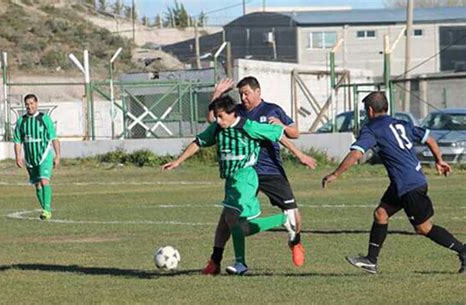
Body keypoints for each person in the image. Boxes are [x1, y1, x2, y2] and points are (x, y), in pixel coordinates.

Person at [162, 96, 314, 275]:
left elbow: (278, 134)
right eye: (216, 117)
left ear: (232, 113)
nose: (218, 120)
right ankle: (233, 263)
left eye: (221, 116)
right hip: (231, 181)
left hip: (245, 179)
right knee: (230, 222)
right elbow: (199, 142)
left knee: (239, 225)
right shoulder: (217, 129)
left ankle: (283, 220)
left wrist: (300, 155)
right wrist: (178, 161)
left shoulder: (247, 126)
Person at [322, 91, 466, 274]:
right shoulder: (401, 123)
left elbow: (357, 153)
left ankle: (463, 250)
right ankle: (370, 260)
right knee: (381, 214)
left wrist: (335, 174)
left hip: (409, 186)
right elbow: (429, 138)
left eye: (366, 111)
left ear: (370, 110)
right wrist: (439, 160)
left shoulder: (372, 127)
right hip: (405, 182)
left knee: (423, 228)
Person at [202, 77, 316, 274]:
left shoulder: (272, 109)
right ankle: (216, 261)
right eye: (241, 94)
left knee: (293, 211)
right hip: (243, 171)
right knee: (228, 218)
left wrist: (284, 127)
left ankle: (296, 242)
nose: (243, 97)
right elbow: (213, 121)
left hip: (270, 170)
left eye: (246, 93)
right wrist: (217, 94)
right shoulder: (235, 111)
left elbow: (293, 133)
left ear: (258, 91)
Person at [13, 94, 60, 220]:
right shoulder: (21, 121)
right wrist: (18, 157)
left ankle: (47, 210)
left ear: (37, 103)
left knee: (44, 180)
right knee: (37, 185)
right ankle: (45, 208)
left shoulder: (45, 119)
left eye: (32, 103)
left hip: (44, 155)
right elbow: (17, 141)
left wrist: (57, 156)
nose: (29, 106)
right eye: (27, 104)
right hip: (30, 158)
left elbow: (54, 138)